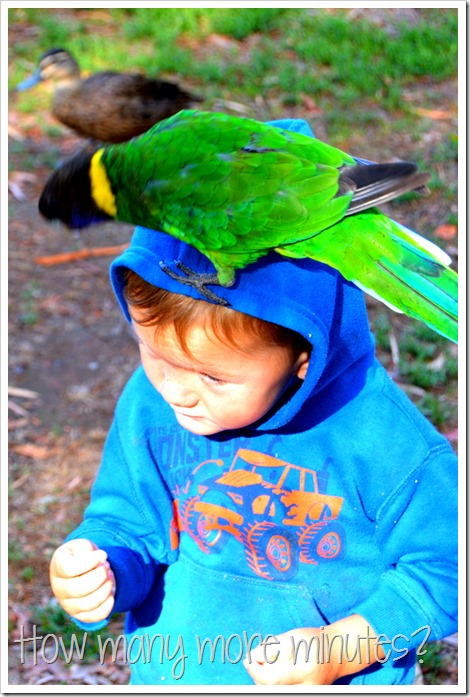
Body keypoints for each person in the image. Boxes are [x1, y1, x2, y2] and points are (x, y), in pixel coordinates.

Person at [49, 119, 458, 686]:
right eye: (154, 356)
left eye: (213, 378)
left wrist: (346, 646)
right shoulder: (150, 405)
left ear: (304, 359)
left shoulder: (383, 442)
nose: (176, 390)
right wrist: (100, 568)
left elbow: (445, 571)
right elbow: (127, 525)